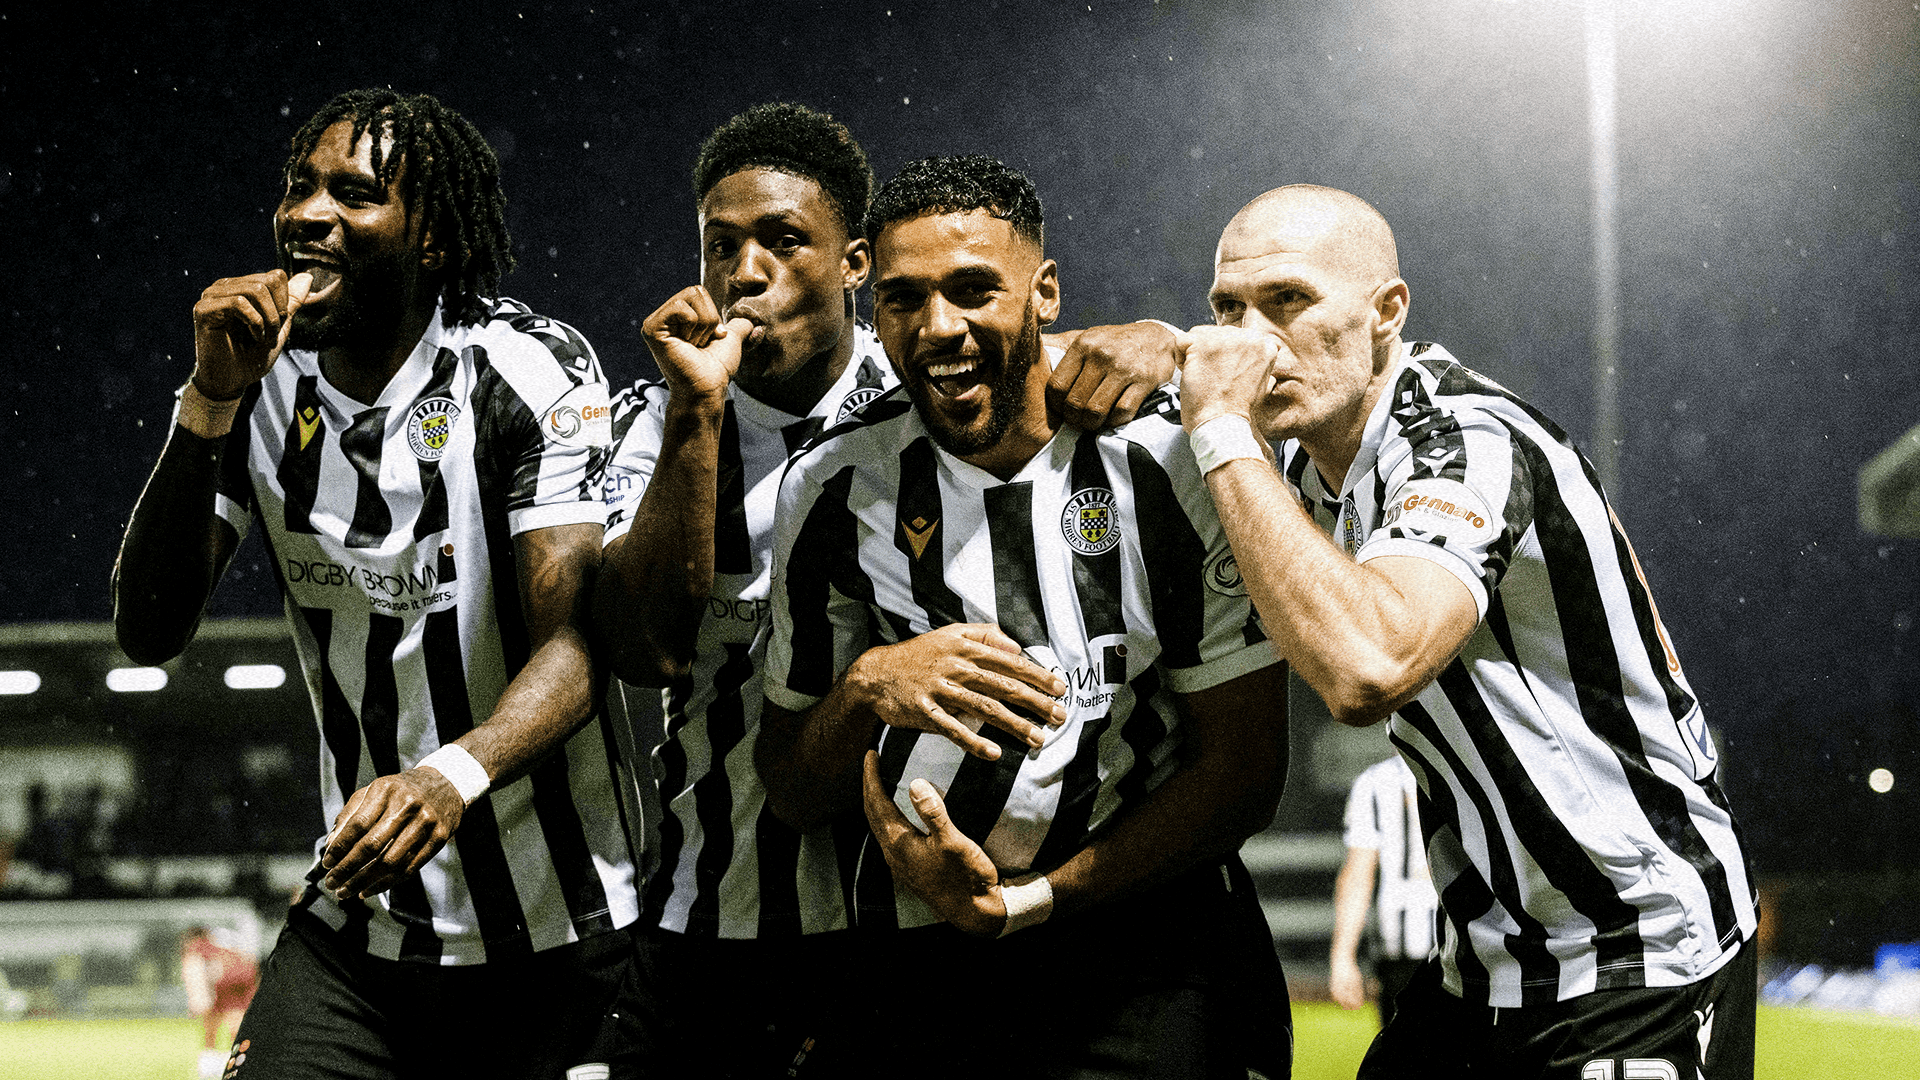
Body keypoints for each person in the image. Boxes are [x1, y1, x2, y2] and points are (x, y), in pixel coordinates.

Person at [586, 104, 1185, 1078]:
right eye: (720, 246)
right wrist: (695, 414)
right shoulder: (651, 422)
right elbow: (644, 649)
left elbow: (1038, 351)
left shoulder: (929, 394)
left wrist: (1171, 340)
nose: (745, 274)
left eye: (783, 241)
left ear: (855, 265)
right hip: (705, 910)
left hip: (895, 922)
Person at [112, 88, 637, 1078]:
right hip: (359, 937)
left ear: (433, 238)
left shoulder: (526, 370)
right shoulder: (260, 383)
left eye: (355, 195)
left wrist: (450, 777)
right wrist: (209, 399)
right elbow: (148, 628)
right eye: (299, 187)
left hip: (558, 935)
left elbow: (579, 646)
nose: (309, 214)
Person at [1177, 184, 1757, 1078]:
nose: (1249, 342)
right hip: (1479, 961)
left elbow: (1369, 668)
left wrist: (1219, 427)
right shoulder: (1298, 454)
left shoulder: (1467, 441)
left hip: (1634, 949)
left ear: (1386, 312)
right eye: (1227, 309)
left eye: (1288, 300)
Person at [754, 154, 1293, 1079]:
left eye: (973, 289)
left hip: (1149, 947)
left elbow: (1243, 772)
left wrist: (1033, 900)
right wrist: (867, 687)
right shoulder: (836, 485)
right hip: (920, 954)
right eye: (904, 299)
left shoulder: (1169, 459)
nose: (939, 327)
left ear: (1044, 293)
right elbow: (794, 789)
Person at [1330, 754, 1437, 1028]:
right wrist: (1342, 956)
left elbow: (1358, 874)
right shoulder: (1377, 781)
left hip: (1409, 952)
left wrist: (1342, 957)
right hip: (1436, 949)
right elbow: (1358, 875)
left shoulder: (1377, 780)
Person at [181, 926, 260, 1079]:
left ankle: (221, 1063)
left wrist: (197, 998)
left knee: (229, 1025)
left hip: (232, 983)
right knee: (224, 1025)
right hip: (231, 982)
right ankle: (220, 1063)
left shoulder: (205, 947)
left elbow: (193, 965)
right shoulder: (217, 947)